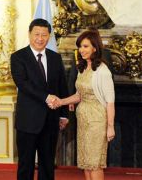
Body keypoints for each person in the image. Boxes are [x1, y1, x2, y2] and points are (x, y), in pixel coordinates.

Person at [49, 30, 115, 180]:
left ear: (95, 48)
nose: (81, 50)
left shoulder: (102, 71)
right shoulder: (83, 68)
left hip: (97, 120)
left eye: (85, 46)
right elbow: (79, 95)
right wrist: (61, 101)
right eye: (80, 46)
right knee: (85, 162)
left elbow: (110, 101)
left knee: (95, 163)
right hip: (83, 120)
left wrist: (110, 127)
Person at [10, 18, 69, 180]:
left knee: (48, 165)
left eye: (44, 35)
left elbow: (62, 86)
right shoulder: (18, 57)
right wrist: (46, 97)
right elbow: (22, 84)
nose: (40, 38)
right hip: (27, 121)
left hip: (50, 121)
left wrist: (63, 114)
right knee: (25, 165)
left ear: (49, 36)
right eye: (36, 34)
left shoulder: (55, 58)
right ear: (29, 34)